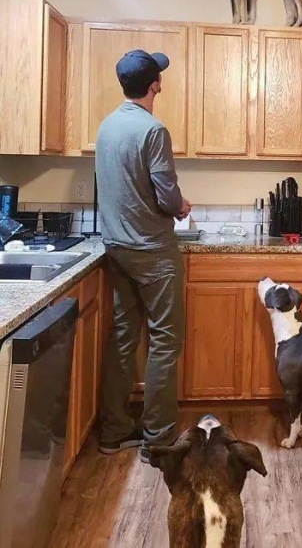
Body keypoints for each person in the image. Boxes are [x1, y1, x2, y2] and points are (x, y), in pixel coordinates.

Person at [95, 49, 191, 463]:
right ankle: (158, 440)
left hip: (117, 249)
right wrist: (181, 205)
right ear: (155, 85)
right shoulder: (153, 130)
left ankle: (114, 432)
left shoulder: (107, 126)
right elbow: (166, 195)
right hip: (153, 251)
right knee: (165, 341)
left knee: (123, 338)